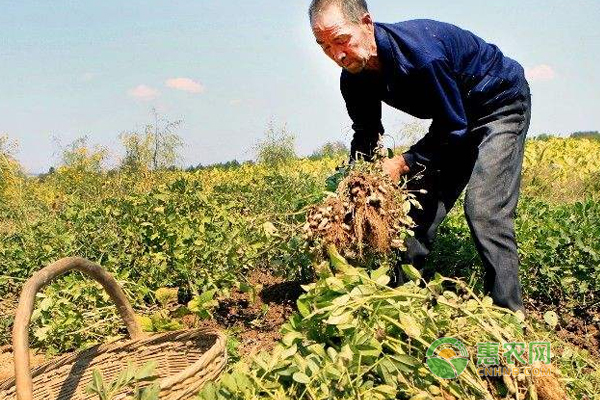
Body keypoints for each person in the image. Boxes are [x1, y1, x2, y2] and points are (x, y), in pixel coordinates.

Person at [309, 0, 531, 312]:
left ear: (366, 23)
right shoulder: (354, 76)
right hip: (455, 116)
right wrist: (356, 186)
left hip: (498, 104)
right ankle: (399, 301)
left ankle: (510, 317)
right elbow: (366, 134)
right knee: (419, 212)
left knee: (484, 209)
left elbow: (453, 127)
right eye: (324, 46)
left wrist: (401, 163)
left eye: (342, 39)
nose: (338, 55)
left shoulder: (422, 56)